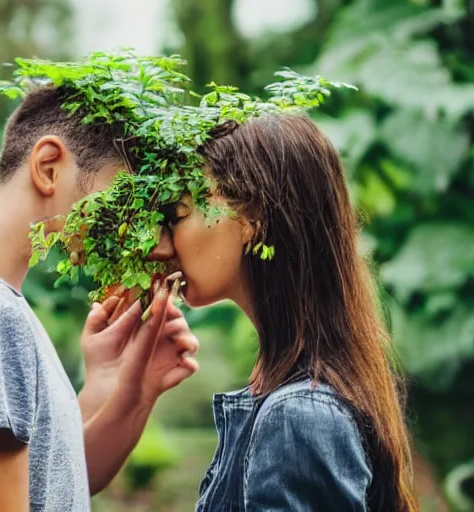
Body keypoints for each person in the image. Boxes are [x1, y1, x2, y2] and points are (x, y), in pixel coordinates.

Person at [163, 116, 419, 511]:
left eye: (178, 214)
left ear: (249, 216)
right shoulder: (290, 396)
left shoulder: (299, 414)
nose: (163, 243)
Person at [0, 86, 199, 511]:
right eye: (123, 198)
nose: (151, 240)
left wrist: (126, 388)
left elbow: (56, 481)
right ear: (49, 167)